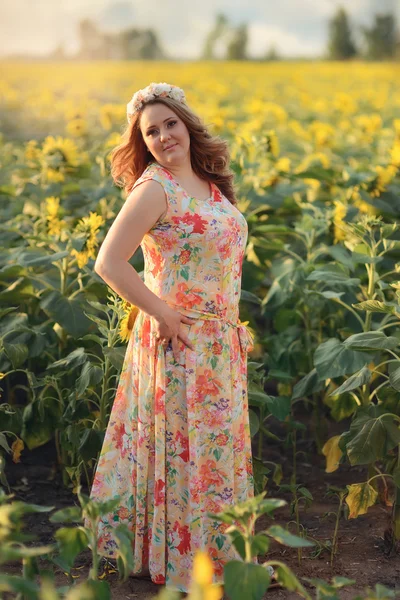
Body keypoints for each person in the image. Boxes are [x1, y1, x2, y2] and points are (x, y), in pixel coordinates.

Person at [89, 82, 258, 595]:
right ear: (143, 142)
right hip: (181, 340)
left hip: (220, 342)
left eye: (170, 124)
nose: (163, 136)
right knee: (187, 451)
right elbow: (108, 262)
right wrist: (162, 312)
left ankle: (221, 557)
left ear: (186, 124)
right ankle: (186, 564)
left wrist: (230, 323)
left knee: (216, 450)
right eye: (151, 131)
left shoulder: (210, 183)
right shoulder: (155, 187)